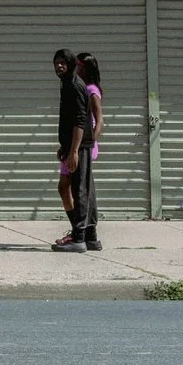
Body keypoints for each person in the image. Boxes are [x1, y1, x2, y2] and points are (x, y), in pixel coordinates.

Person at [52, 48, 92, 252]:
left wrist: (74, 151)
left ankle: (79, 238)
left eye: (63, 62)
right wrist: (65, 147)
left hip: (80, 146)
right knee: (73, 187)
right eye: (56, 63)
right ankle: (88, 236)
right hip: (72, 146)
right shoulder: (66, 83)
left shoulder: (75, 86)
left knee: (79, 190)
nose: (59, 66)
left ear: (70, 64)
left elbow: (79, 121)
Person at [76, 52, 104, 252]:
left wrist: (91, 140)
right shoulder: (83, 87)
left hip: (86, 142)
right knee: (87, 185)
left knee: (83, 187)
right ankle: (90, 232)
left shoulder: (91, 90)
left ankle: (85, 231)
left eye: (80, 66)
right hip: (84, 141)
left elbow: (99, 118)